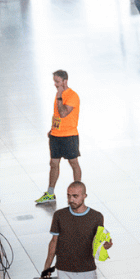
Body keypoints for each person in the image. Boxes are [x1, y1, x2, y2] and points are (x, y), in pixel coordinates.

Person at [40, 70, 83, 203]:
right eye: (54, 81)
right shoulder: (58, 94)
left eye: (57, 81)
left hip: (69, 136)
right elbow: (57, 115)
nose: (55, 84)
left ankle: (78, 192)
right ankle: (50, 193)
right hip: (56, 135)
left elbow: (63, 113)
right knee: (53, 163)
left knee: (73, 162)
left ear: (65, 81)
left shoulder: (72, 95)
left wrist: (59, 96)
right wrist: (52, 128)